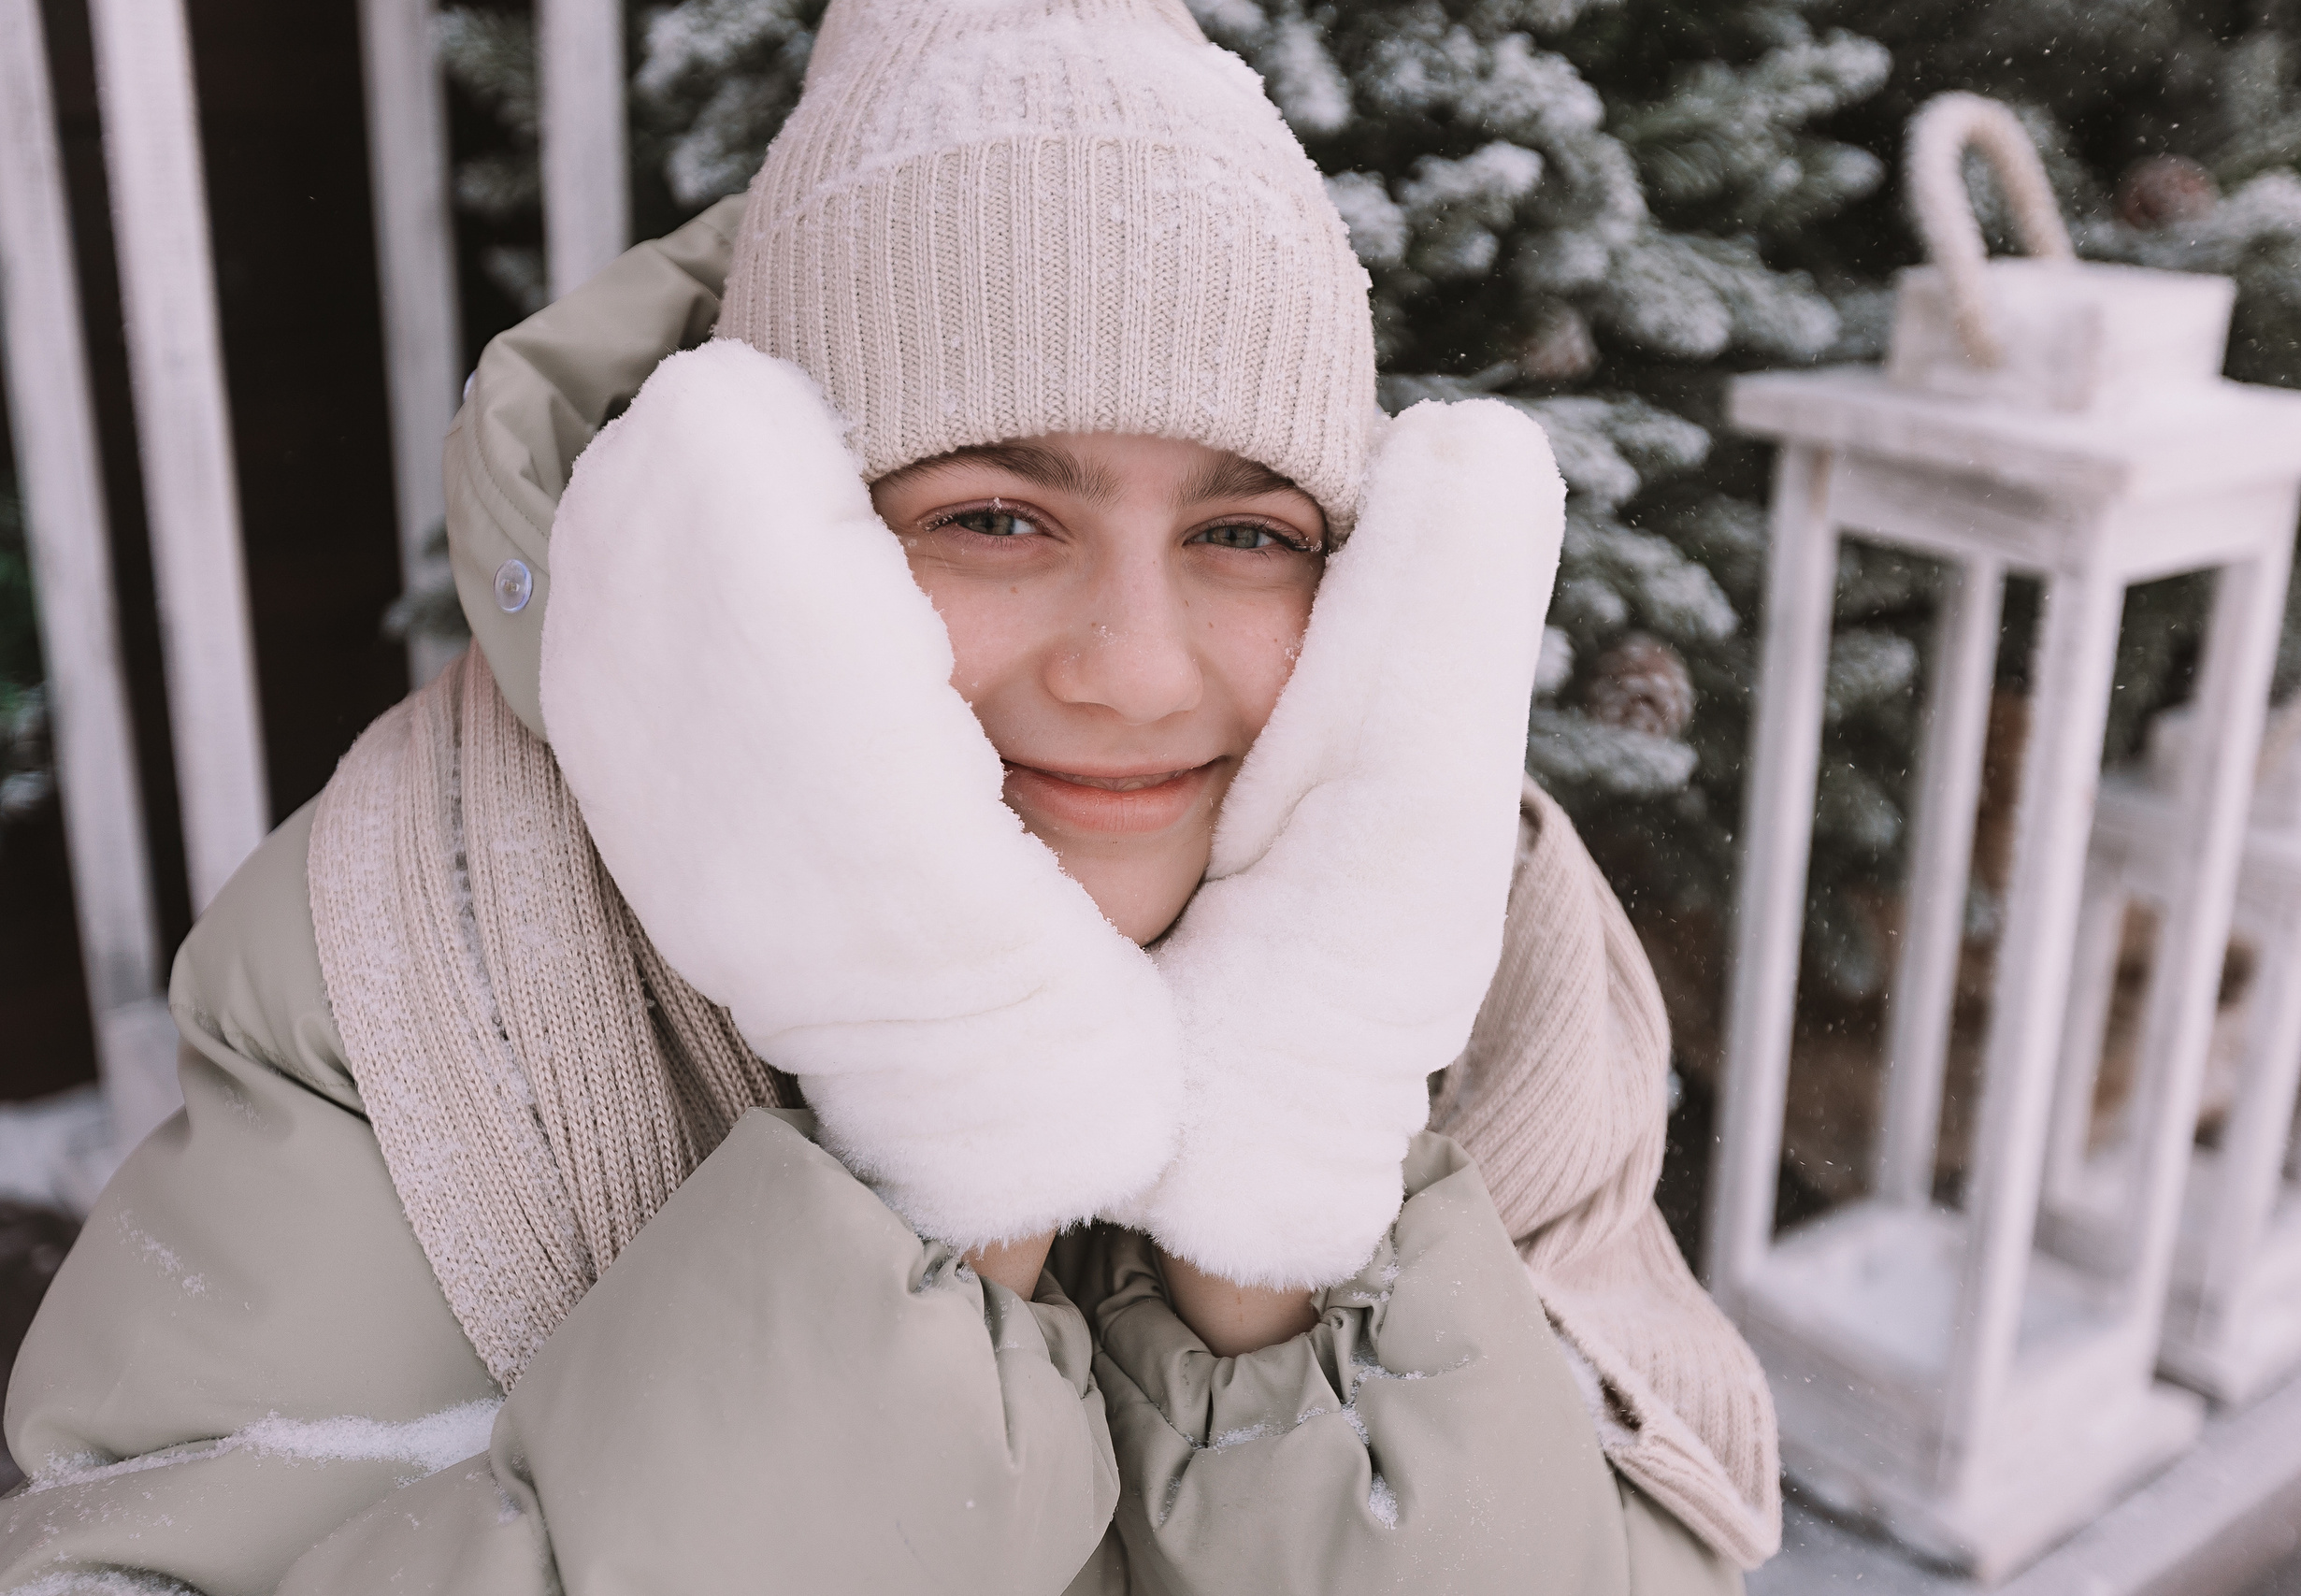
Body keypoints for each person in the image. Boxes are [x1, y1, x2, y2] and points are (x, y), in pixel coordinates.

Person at [0, 0, 1778, 1589]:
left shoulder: (1489, 927)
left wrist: (1296, 1238)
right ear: (785, 526)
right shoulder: (425, 939)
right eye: (996, 517)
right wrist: (944, 1106)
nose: (1136, 671)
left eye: (1247, 533)